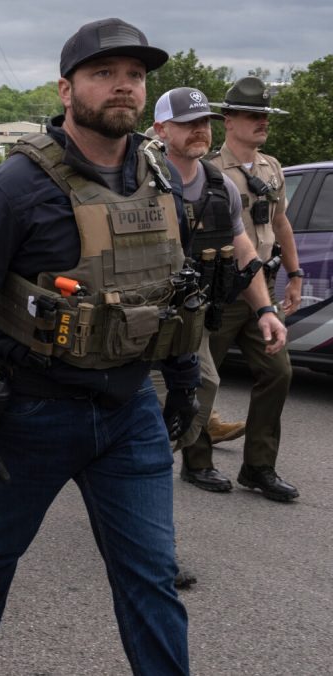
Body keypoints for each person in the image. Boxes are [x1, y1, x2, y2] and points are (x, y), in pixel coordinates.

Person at [0, 18, 200, 674]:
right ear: (66, 88)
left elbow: (172, 288)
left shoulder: (158, 180)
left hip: (129, 411)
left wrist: (184, 379)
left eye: (135, 75)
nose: (123, 86)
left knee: (151, 575)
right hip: (32, 413)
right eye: (103, 73)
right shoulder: (14, 187)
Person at [150, 86, 287, 490]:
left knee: (204, 385)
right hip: (143, 318)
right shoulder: (142, 180)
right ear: (161, 129)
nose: (199, 130)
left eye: (203, 123)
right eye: (187, 123)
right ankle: (140, 470)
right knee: (146, 403)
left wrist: (266, 311)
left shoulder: (219, 185)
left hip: (193, 315)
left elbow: (244, 251)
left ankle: (156, 459)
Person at [179, 77, 301, 501]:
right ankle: (197, 461)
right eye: (253, 115)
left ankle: (259, 466)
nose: (262, 122)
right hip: (221, 287)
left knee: (278, 372)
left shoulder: (271, 167)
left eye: (265, 115)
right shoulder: (210, 170)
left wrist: (295, 273)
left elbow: (280, 223)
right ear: (228, 120)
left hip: (261, 288)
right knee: (201, 377)